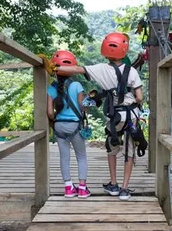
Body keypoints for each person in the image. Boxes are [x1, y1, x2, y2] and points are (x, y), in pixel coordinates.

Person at [51, 32, 145, 201]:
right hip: (131, 115)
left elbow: (77, 69)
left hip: (115, 116)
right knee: (129, 151)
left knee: (112, 148)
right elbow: (139, 97)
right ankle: (124, 189)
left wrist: (54, 68)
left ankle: (114, 185)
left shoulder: (100, 69)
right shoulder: (131, 72)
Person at [46, 50, 91, 199]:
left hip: (59, 126)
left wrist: (54, 121)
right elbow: (81, 106)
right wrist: (87, 105)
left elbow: (50, 113)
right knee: (81, 157)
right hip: (75, 126)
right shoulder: (77, 85)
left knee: (64, 157)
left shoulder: (51, 88)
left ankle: (68, 188)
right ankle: (83, 189)